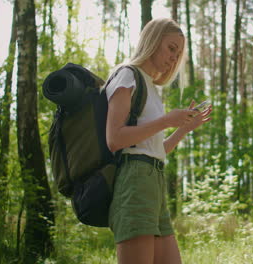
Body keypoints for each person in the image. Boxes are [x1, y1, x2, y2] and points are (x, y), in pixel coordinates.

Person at [105, 18, 212, 264]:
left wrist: (182, 129)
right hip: (134, 181)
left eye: (178, 54)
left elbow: (155, 150)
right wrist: (166, 121)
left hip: (155, 180)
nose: (174, 58)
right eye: (171, 48)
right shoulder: (127, 75)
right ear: (152, 40)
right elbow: (114, 139)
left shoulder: (151, 88)